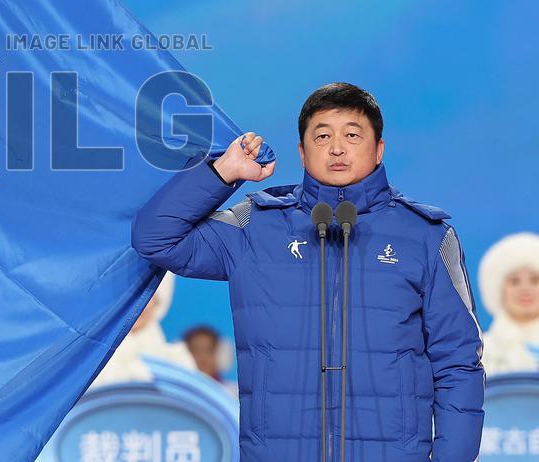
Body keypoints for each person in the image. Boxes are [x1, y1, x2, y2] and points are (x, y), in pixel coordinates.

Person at [132, 82, 484, 462]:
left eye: (352, 135)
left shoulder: (426, 237)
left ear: (379, 149)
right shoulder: (254, 227)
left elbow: (458, 363)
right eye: (322, 136)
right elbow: (156, 239)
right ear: (301, 152)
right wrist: (223, 172)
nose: (337, 148)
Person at [89, 272, 196, 388]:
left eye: (147, 297)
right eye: (131, 295)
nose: (137, 306)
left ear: (158, 304)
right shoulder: (93, 359)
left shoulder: (175, 361)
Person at [478, 231, 539, 374]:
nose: (525, 289)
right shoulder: (482, 351)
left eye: (535, 280)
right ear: (499, 289)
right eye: (515, 281)